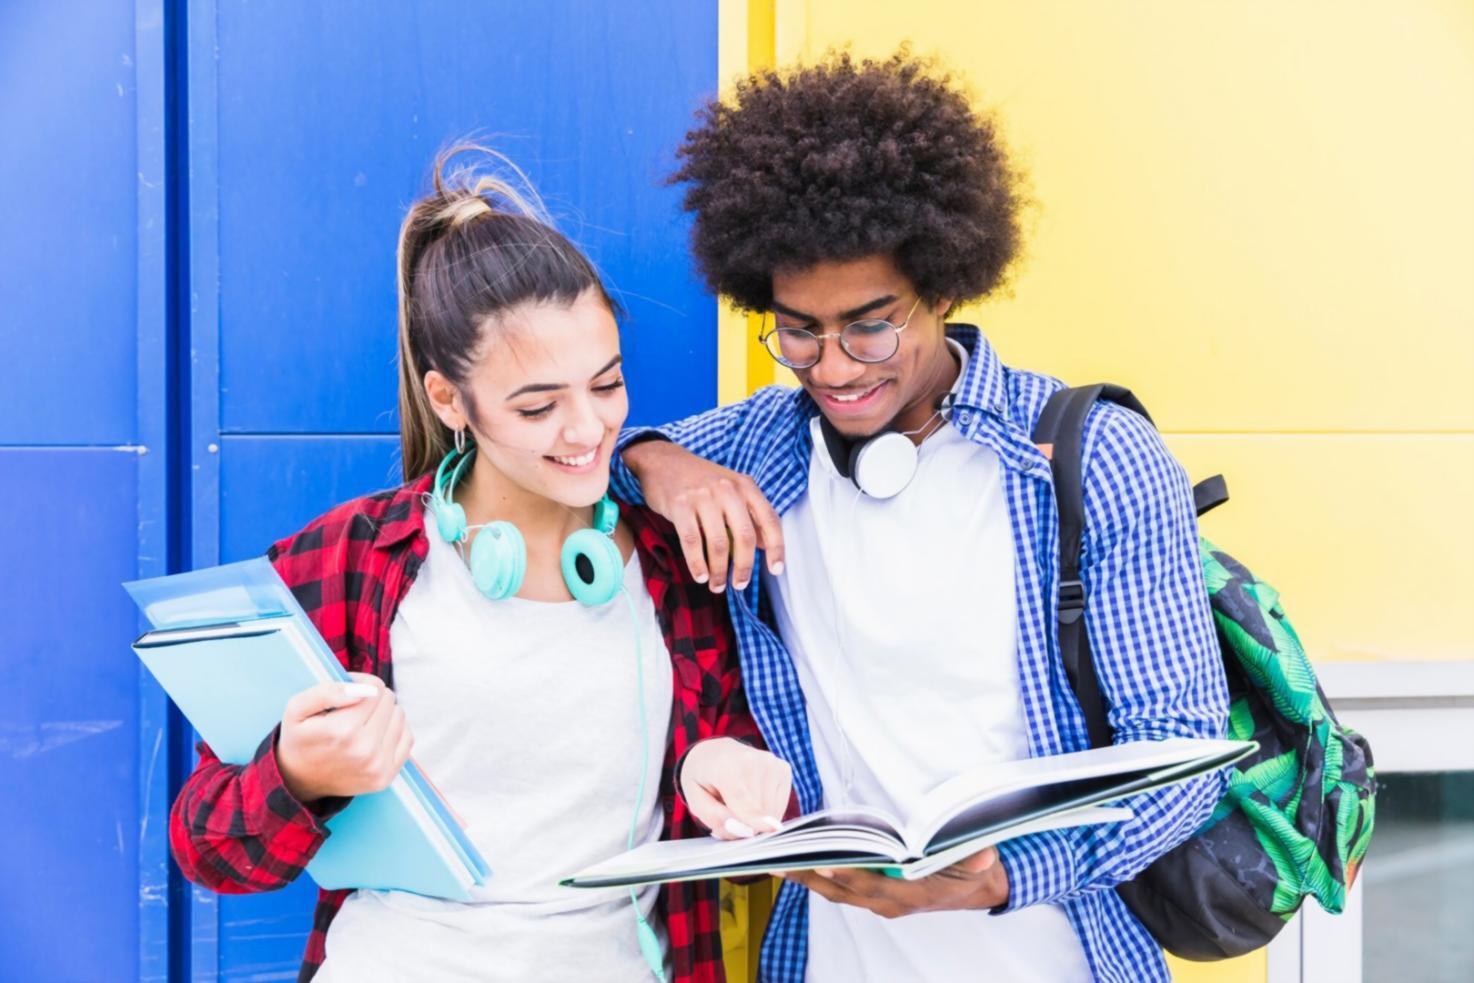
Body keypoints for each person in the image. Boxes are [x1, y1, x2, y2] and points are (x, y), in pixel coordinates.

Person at [611, 53, 1230, 983]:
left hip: (1058, 956)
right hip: (828, 958)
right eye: (796, 330)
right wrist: (655, 462)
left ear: (943, 284)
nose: (833, 366)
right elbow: (595, 462)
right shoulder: (758, 448)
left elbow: (1184, 757)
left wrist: (994, 878)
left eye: (871, 324)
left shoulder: (1089, 457)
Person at [168, 146, 793, 983]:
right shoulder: (349, 562)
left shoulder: (675, 566)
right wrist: (296, 772)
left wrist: (722, 775)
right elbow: (208, 846)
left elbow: (732, 825)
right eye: (537, 404)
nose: (585, 429)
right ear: (447, 399)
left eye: (605, 385)